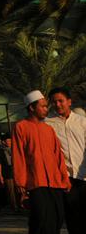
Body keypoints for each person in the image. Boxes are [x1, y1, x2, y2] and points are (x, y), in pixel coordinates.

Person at [13, 90, 69, 234]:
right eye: (43, 106)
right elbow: (18, 156)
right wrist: (20, 183)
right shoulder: (21, 127)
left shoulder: (49, 129)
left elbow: (58, 156)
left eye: (46, 106)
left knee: (57, 218)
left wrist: (64, 178)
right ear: (32, 108)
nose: (46, 109)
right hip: (36, 182)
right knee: (41, 221)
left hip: (55, 182)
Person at [46, 87, 85, 234]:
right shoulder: (48, 124)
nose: (58, 104)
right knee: (73, 218)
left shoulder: (82, 122)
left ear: (69, 101)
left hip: (85, 176)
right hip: (66, 178)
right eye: (54, 102)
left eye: (61, 101)